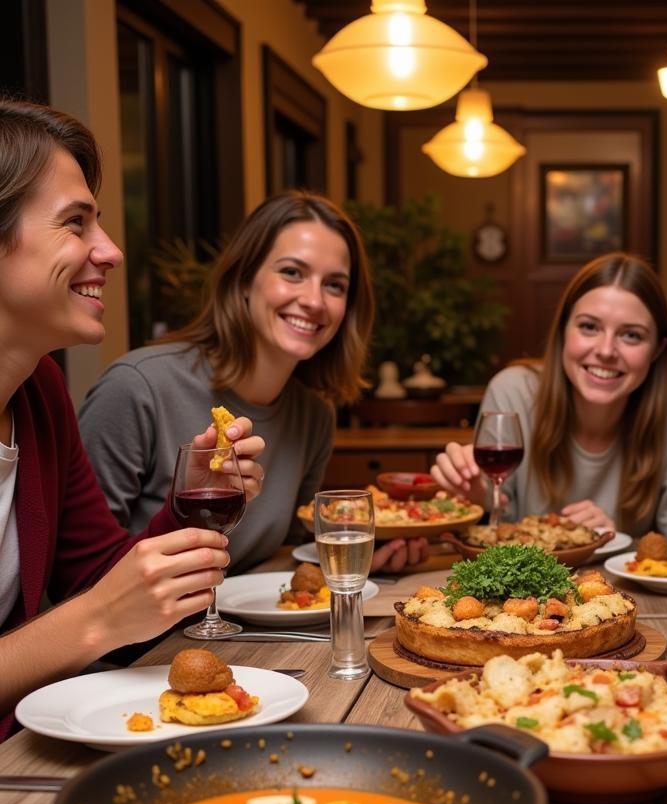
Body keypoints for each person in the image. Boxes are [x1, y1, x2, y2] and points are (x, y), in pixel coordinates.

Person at [0, 98, 263, 725]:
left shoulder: (40, 394)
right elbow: (97, 614)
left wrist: (190, 500)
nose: (111, 251)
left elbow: (105, 585)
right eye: (76, 223)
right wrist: (93, 621)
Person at [79, 191, 424, 575]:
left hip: (238, 632)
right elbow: (76, 576)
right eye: (292, 272)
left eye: (335, 285)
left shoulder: (314, 416)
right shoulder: (137, 388)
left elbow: (289, 552)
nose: (314, 300)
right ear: (244, 279)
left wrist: (358, 559)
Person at [431, 252, 667, 537]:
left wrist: (619, 544)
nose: (605, 351)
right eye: (589, 327)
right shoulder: (512, 393)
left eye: (631, 335)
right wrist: (477, 499)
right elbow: (494, 532)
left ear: (657, 350)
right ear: (563, 330)